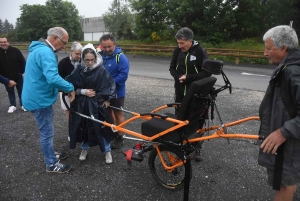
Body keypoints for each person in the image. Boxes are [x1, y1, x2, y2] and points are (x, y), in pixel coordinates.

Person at [22, 27, 75, 173]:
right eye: (63, 43)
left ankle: (51, 153)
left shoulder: (39, 50)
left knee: (46, 130)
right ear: (54, 38)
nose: (64, 46)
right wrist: (70, 87)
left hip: (36, 96)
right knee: (47, 132)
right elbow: (52, 77)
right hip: (39, 99)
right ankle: (51, 164)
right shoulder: (45, 52)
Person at [258, 25, 300, 201]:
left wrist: (283, 132)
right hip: (289, 147)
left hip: (288, 148)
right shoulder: (288, 67)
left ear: (283, 48)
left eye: (269, 49)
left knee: (284, 184)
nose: (265, 53)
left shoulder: (292, 71)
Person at [66, 43, 117, 164]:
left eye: (92, 60)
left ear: (95, 58)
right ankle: (84, 148)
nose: (89, 62)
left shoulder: (101, 70)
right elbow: (69, 86)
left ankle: (107, 151)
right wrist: (82, 91)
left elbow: (110, 85)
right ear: (83, 59)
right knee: (84, 127)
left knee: (102, 127)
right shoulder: (78, 70)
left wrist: (107, 99)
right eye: (87, 60)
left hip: (97, 104)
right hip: (82, 104)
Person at [169, 27, 211, 162]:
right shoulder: (178, 51)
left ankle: (197, 145)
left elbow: (207, 73)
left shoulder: (200, 51)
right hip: (180, 91)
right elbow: (172, 68)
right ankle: (180, 144)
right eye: (178, 43)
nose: (179, 46)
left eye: (182, 43)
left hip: (197, 93)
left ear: (190, 41)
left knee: (196, 121)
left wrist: (188, 78)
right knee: (180, 118)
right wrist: (178, 77)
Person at [98, 34, 130, 149]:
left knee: (118, 114)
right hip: (104, 92)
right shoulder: (100, 56)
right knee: (108, 113)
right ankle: (112, 132)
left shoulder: (121, 58)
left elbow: (123, 76)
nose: (107, 49)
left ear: (114, 45)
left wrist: (109, 85)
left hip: (117, 92)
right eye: (104, 47)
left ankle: (120, 136)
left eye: (109, 47)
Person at [58, 41, 83, 141]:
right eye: (77, 53)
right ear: (71, 51)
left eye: (80, 54)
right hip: (66, 93)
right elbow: (58, 79)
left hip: (79, 92)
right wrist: (67, 89)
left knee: (80, 112)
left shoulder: (82, 62)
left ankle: (80, 132)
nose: (79, 56)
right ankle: (71, 133)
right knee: (69, 112)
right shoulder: (63, 63)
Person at [0, 36, 26, 113]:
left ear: (8, 42)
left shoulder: (16, 51)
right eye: (1, 42)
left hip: (18, 75)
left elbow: (23, 62)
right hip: (6, 77)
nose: (3, 44)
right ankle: (12, 105)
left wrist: (21, 72)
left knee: (21, 90)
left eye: (4, 42)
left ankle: (23, 104)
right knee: (10, 92)